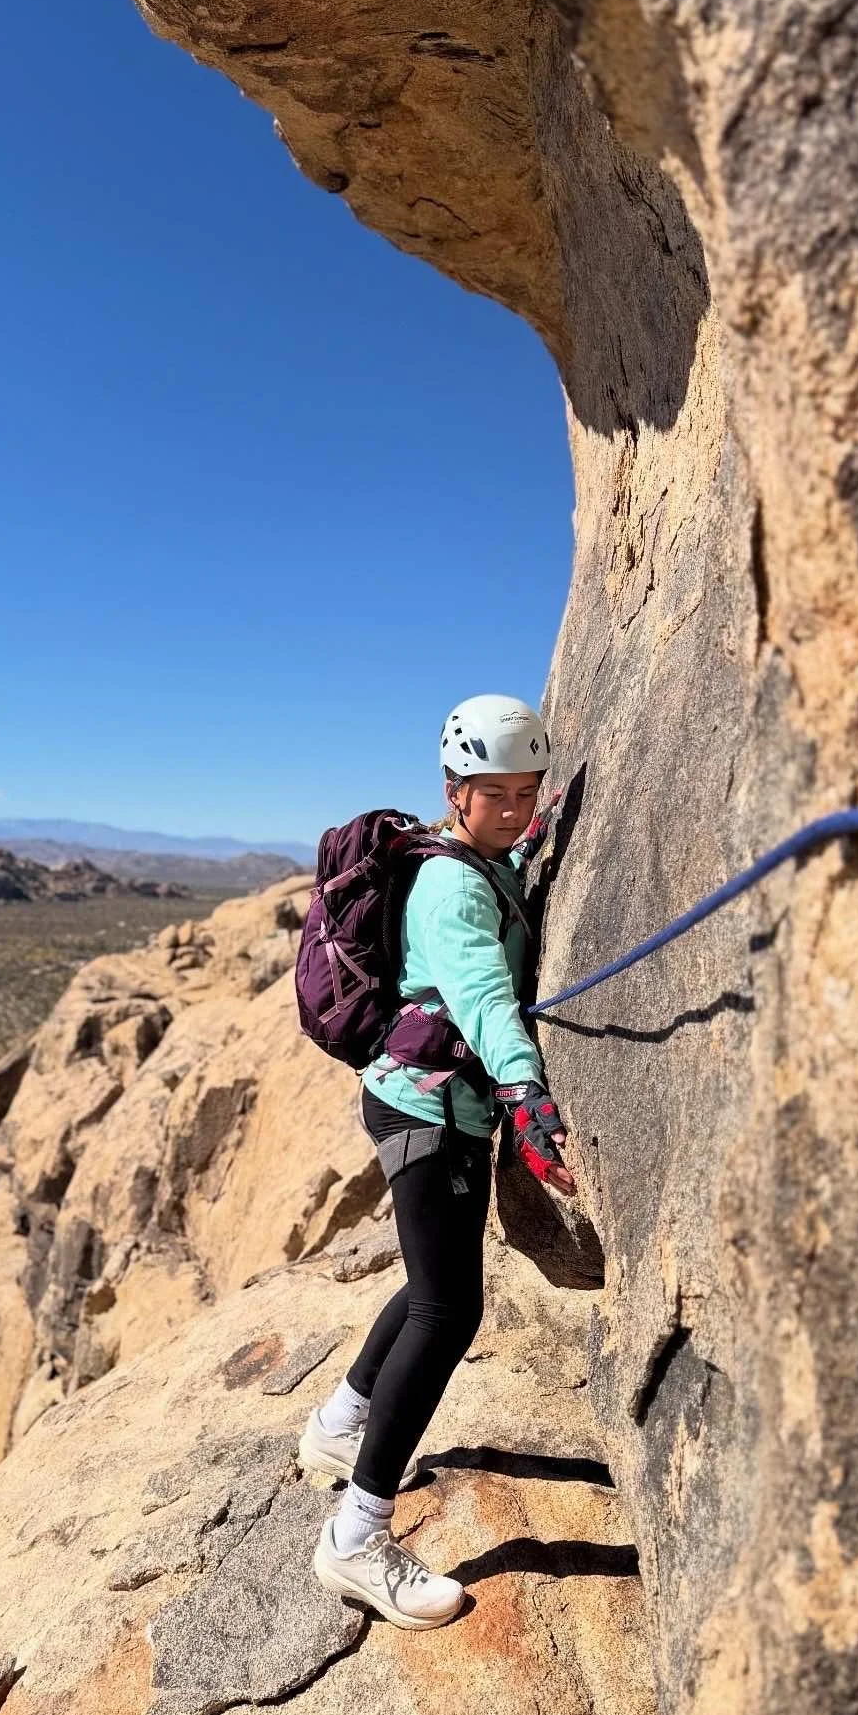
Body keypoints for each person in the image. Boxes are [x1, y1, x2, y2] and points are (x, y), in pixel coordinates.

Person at [300, 695, 575, 1630]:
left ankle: (338, 1425)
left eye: (526, 791)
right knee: (450, 1309)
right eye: (492, 792)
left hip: (418, 1096)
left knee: (429, 1288)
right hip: (430, 1106)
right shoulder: (456, 885)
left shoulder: (476, 860)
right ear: (454, 789)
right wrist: (527, 1097)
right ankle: (356, 1537)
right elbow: (486, 996)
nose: (513, 808)